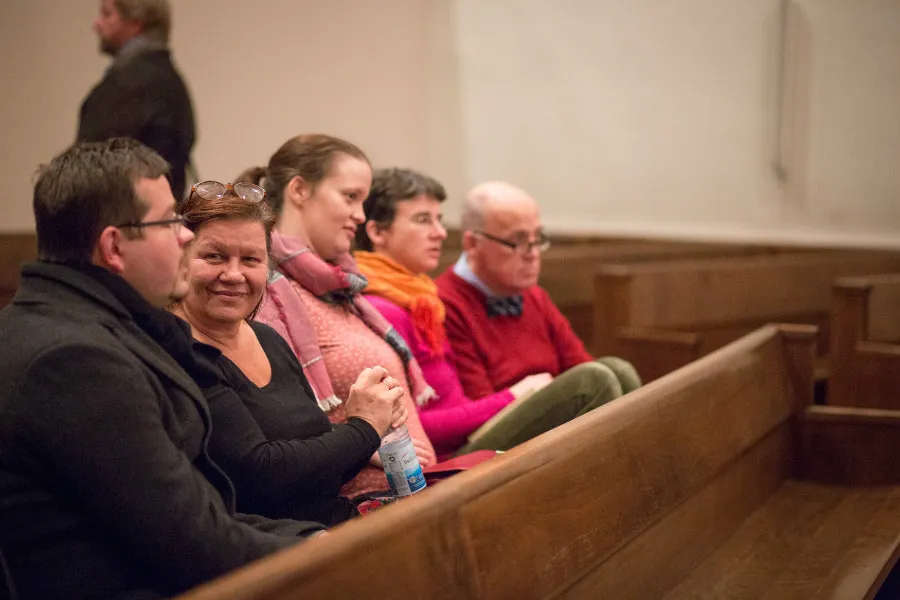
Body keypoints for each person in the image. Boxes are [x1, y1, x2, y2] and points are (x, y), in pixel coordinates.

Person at [0, 140, 324, 600]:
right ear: (114, 246)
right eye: (170, 221)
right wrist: (323, 552)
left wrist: (308, 536)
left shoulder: (75, 322)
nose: (186, 237)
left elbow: (194, 511)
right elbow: (192, 545)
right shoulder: (75, 360)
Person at [355, 168, 639, 457]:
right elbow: (421, 422)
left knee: (617, 370)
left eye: (537, 239)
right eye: (422, 220)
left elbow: (576, 361)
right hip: (463, 449)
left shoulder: (423, 301)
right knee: (592, 381)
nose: (440, 232)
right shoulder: (402, 307)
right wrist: (519, 394)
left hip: (477, 428)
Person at [172, 180, 408, 526]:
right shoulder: (177, 351)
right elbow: (262, 475)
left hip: (334, 524)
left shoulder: (267, 338)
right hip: (273, 547)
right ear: (179, 259)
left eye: (250, 259)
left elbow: (320, 473)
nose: (234, 274)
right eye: (214, 256)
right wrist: (364, 428)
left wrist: (369, 420)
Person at [237, 134, 438, 497]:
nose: (360, 214)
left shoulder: (344, 292)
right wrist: (362, 439)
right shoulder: (265, 294)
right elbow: (272, 422)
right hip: (351, 507)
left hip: (413, 494)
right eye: (350, 197)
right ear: (300, 190)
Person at [435, 180, 642, 404]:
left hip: (554, 409)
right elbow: (482, 405)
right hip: (506, 417)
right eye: (518, 240)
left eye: (538, 238)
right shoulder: (444, 303)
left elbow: (581, 364)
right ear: (473, 244)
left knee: (618, 371)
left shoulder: (534, 295)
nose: (533, 254)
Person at [78, 0, 195, 199]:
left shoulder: (126, 85)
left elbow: (87, 172)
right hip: (160, 210)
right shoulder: (171, 80)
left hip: (127, 213)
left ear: (135, 22)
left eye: (107, 14)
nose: (96, 24)